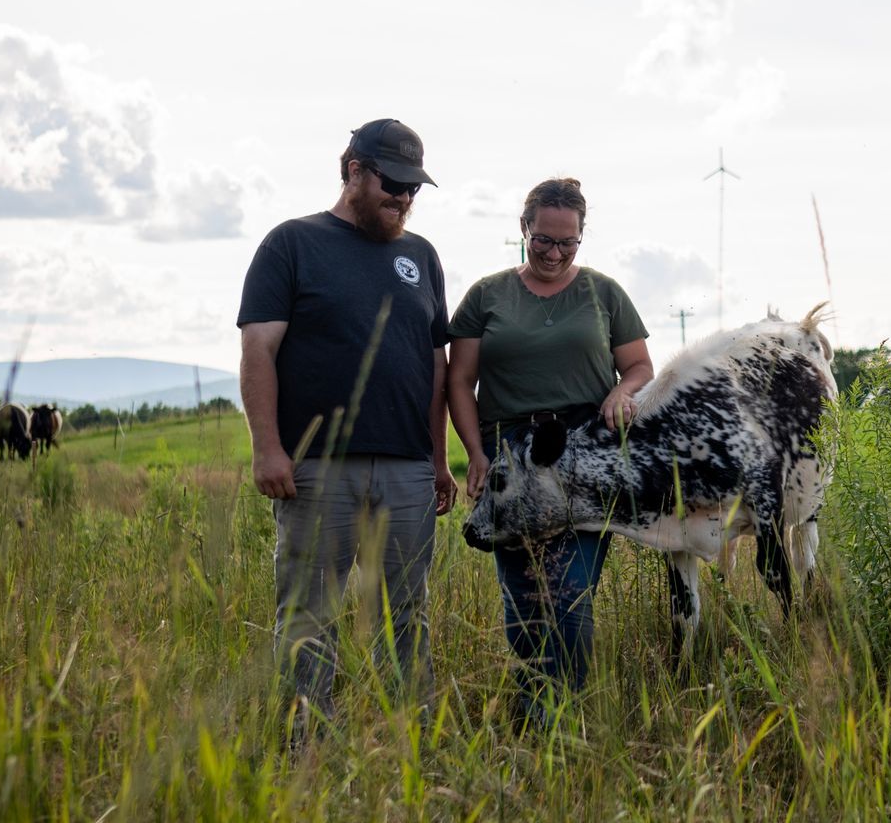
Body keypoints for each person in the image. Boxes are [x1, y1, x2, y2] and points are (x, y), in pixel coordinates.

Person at [237, 118, 459, 728]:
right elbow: (259, 350)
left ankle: (412, 740)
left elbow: (434, 366)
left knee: (407, 612)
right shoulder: (291, 244)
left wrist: (438, 462)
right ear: (354, 171)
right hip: (316, 471)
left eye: (415, 188)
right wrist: (268, 449)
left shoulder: (422, 257)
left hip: (408, 472)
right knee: (312, 613)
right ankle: (305, 743)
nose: (404, 198)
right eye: (394, 183)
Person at [447, 176, 652, 715]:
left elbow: (639, 366)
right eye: (543, 240)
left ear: (581, 238)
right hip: (508, 462)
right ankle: (531, 710)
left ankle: (563, 717)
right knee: (522, 598)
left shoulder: (604, 292)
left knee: (568, 593)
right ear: (524, 230)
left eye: (568, 242)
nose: (555, 253)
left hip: (583, 460)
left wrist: (622, 392)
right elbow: (457, 381)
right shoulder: (486, 295)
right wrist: (475, 451)